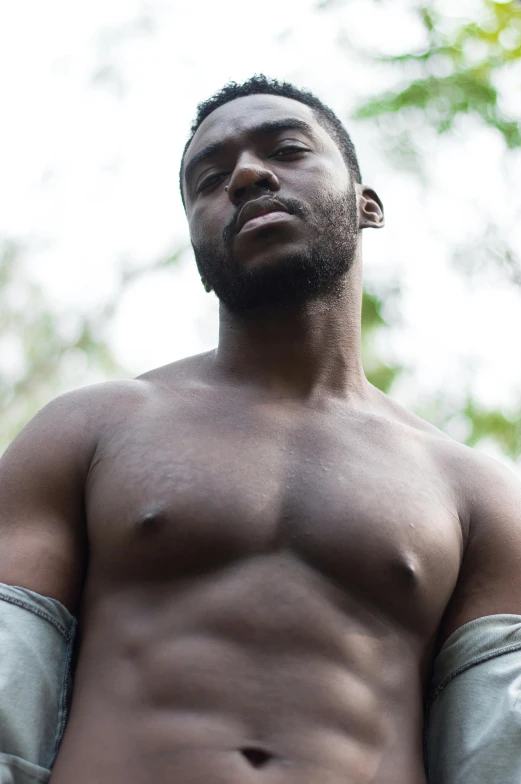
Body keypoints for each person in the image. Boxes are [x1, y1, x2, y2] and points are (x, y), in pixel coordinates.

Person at [1, 75, 521, 784]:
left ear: (366, 204)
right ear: (197, 244)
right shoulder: (88, 429)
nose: (246, 176)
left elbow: (498, 753)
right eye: (209, 179)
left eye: (286, 149)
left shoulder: (475, 492)